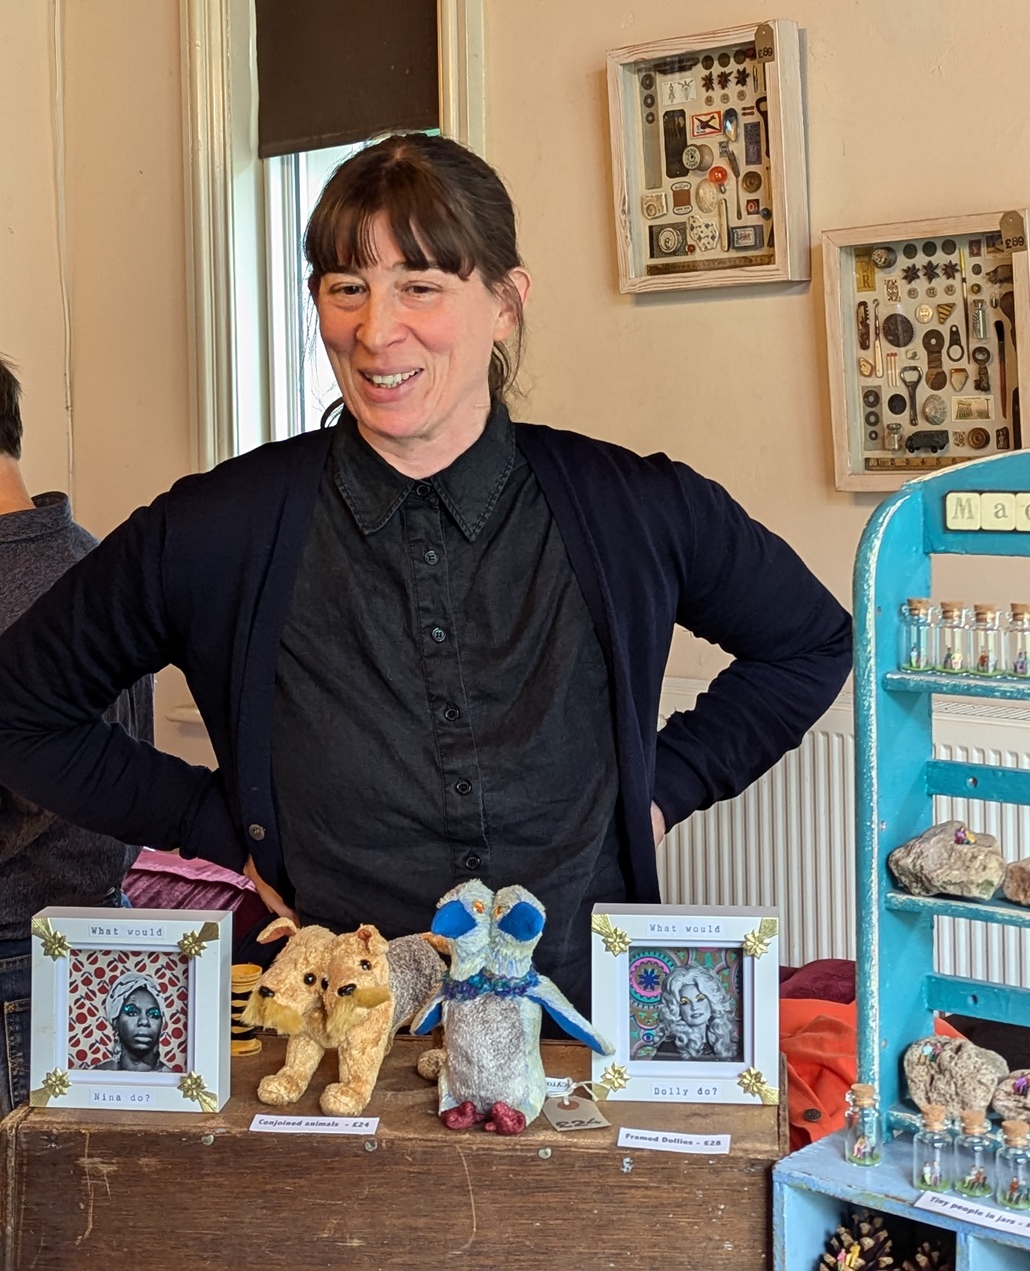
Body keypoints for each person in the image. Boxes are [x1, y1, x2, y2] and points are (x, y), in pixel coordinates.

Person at [0, 134, 851, 1013]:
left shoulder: (638, 506)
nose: (376, 331)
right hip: (337, 1043)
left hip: (582, 1030)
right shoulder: (215, 527)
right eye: (347, 288)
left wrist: (663, 789)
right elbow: (21, 707)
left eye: (420, 286)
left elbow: (811, 642)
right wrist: (212, 824)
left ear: (506, 303)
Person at [0, 358, 154, 1118]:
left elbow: (38, 786)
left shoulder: (17, 589)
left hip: (18, 961)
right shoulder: (88, 556)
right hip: (92, 935)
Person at [651, 964, 738, 1061]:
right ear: (677, 1009)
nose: (694, 1007)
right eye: (685, 1002)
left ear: (711, 1002)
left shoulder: (726, 1041)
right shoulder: (669, 1048)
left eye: (700, 999)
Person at [96, 970, 167, 1072]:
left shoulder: (176, 1079)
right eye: (132, 1012)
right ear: (116, 1022)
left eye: (153, 1014)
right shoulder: (96, 1075)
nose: (144, 1021)